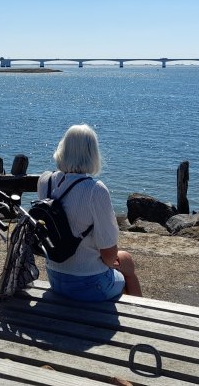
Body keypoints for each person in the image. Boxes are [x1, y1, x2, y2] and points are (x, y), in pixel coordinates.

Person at [37, 124, 142, 301]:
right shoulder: (95, 190)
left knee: (122, 261)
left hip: (55, 277)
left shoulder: (45, 181)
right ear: (92, 153)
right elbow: (108, 255)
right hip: (90, 285)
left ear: (63, 148)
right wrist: (114, 262)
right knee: (127, 263)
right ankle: (142, 317)